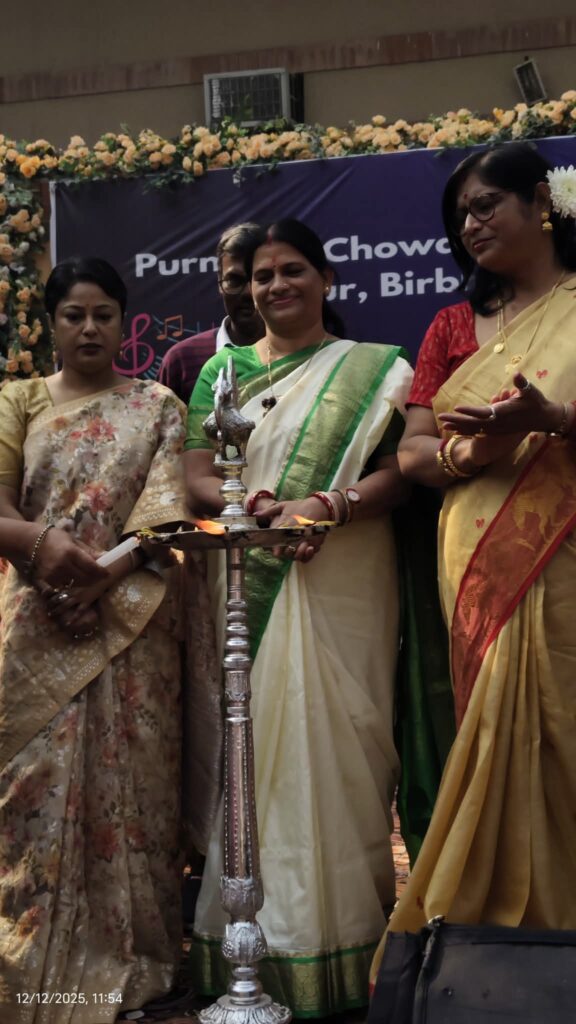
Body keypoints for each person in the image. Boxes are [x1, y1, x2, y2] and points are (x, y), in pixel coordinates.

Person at [183, 218, 414, 1017]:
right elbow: (195, 474)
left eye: (291, 270)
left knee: (343, 748)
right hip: (249, 572)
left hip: (346, 571)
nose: (275, 285)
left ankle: (346, 945)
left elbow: (397, 473)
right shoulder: (221, 372)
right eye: (261, 275)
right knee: (255, 752)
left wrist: (329, 503)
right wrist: (252, 503)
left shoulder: (376, 369)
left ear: (325, 278)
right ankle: (255, 950)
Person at [370, 141, 576, 985]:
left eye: (487, 204)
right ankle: (494, 952)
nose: (471, 224)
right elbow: (414, 451)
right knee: (495, 732)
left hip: (564, 543)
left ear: (542, 203)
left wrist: (553, 419)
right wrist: (475, 451)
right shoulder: (453, 327)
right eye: (461, 215)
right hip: (476, 551)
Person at [0, 257, 195, 1023]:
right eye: (73, 315)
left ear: (123, 322)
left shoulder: (157, 405)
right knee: (28, 794)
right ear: (50, 324)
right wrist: (46, 556)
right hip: (33, 620)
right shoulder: (16, 401)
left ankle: (132, 959)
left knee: (134, 793)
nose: (89, 328)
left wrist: (97, 580)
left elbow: (164, 516)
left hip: (130, 623)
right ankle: (25, 969)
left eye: (103, 314)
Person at [157, 222, 264, 404]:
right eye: (234, 280)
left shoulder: (305, 355)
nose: (248, 292)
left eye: (259, 278)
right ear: (219, 283)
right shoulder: (181, 361)